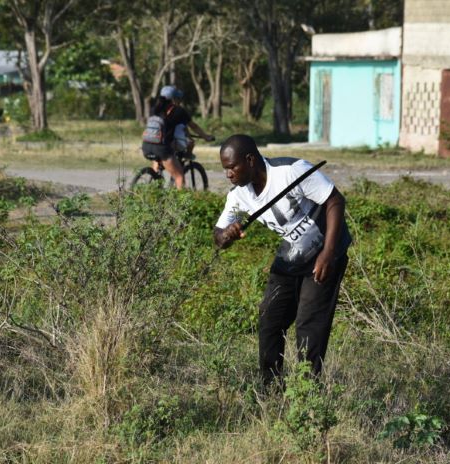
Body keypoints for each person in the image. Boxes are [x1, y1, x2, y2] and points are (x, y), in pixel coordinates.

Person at [213, 134, 352, 387]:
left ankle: (308, 393)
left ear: (250, 160)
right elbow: (218, 236)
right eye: (225, 169)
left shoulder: (291, 171)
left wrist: (328, 253)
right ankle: (271, 389)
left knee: (308, 326)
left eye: (232, 167)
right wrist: (226, 235)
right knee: (269, 317)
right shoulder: (238, 196)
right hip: (292, 255)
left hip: (326, 252)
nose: (229, 175)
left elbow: (335, 201)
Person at [141, 85, 214, 189]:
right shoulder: (179, 111)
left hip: (146, 146)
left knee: (158, 165)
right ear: (174, 99)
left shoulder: (154, 109)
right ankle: (180, 204)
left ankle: (156, 179)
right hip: (162, 148)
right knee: (179, 176)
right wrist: (206, 136)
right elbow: (193, 126)